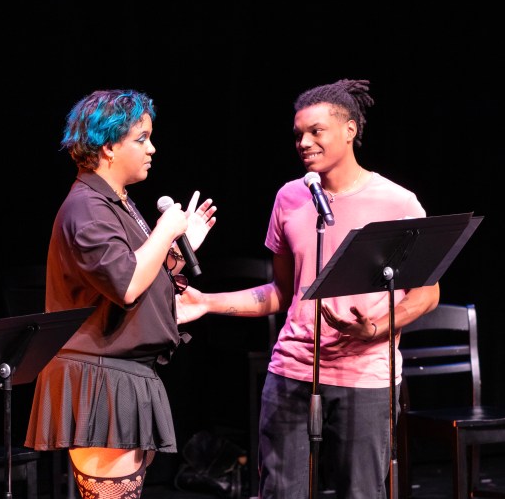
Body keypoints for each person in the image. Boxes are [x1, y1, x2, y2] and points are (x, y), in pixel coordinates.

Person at [175, 78, 440, 499]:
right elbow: (282, 293)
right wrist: (207, 302)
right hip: (292, 371)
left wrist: (376, 328)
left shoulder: (397, 202)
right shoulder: (289, 198)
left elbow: (427, 294)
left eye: (316, 131)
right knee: (280, 491)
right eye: (299, 134)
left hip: (366, 374)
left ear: (350, 130)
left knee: (361, 491)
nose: (304, 142)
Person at [24, 89, 218, 499]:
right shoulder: (87, 208)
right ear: (109, 146)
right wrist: (167, 230)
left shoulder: (115, 203)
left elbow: (135, 274)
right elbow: (127, 285)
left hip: (120, 371)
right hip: (99, 377)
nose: (152, 147)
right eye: (141, 138)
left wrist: (181, 250)